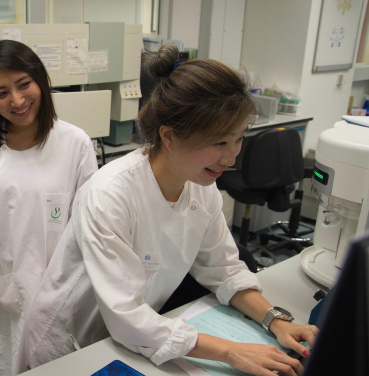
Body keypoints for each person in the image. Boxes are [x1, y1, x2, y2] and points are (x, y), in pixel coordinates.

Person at [18, 45, 319, 376]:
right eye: (219, 142)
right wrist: (231, 352)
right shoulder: (110, 196)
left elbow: (224, 270)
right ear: (170, 137)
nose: (231, 157)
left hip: (135, 341)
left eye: (239, 138)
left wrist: (274, 320)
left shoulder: (201, 188)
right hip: (71, 346)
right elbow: (128, 316)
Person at [0, 40, 98, 376]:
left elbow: (89, 226)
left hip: (59, 291)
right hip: (0, 292)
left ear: (40, 79)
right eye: (1, 93)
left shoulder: (75, 143)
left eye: (24, 84)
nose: (17, 100)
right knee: (2, 361)